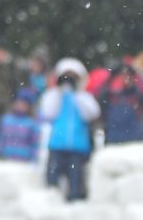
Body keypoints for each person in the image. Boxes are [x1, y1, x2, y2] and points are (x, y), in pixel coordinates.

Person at [39, 66, 100, 202]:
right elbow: (48, 112)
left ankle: (74, 206)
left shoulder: (84, 97)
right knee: (51, 184)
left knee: (76, 185)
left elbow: (92, 113)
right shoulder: (55, 96)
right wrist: (58, 91)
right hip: (57, 145)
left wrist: (76, 94)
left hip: (77, 147)